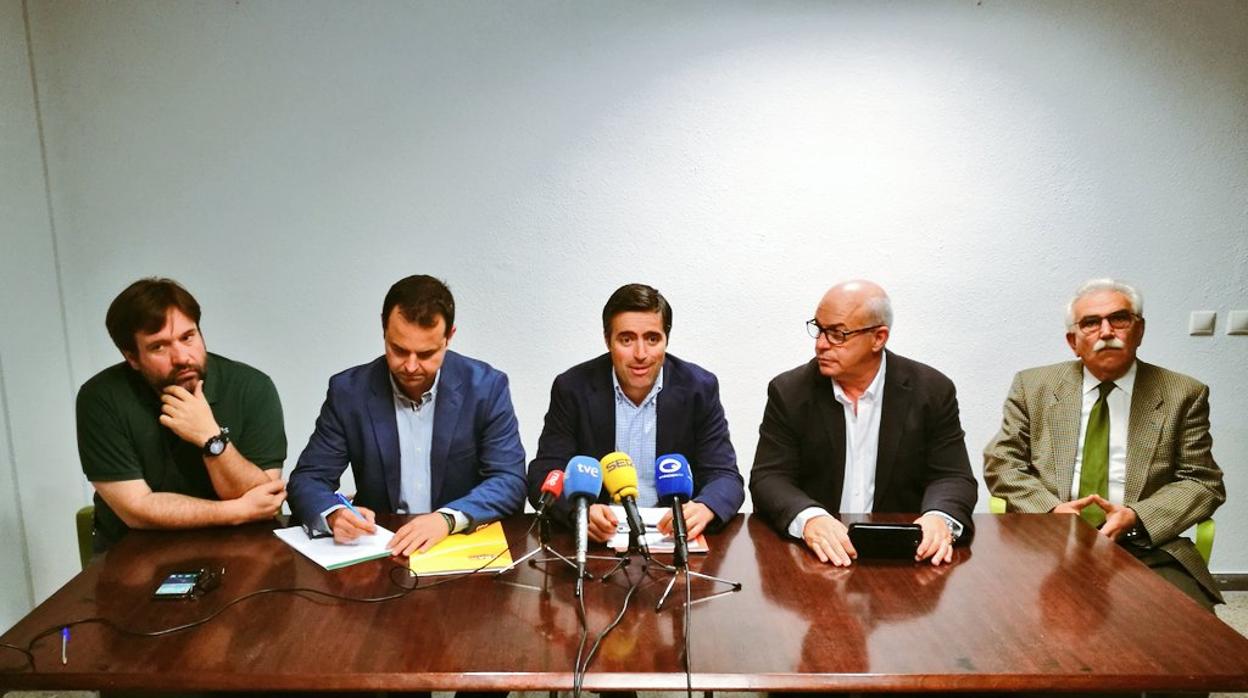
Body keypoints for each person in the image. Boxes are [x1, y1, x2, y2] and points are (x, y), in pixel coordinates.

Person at [984, 278, 1225, 610]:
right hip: (1048, 542)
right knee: (1002, 618)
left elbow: (1202, 482)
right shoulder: (1033, 386)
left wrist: (1136, 516)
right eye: (1091, 323)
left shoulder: (1182, 394)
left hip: (1144, 546)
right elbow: (1003, 462)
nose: (1107, 331)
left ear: (1139, 330)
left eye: (1119, 319)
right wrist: (1052, 511)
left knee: (1191, 634)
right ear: (1073, 341)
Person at [287, 275, 527, 557]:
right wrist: (335, 514)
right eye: (399, 350)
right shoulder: (349, 392)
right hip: (382, 548)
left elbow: (509, 481)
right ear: (384, 331)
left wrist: (447, 519)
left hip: (457, 547)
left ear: (449, 337)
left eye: (426, 354)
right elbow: (307, 479)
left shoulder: (486, 388)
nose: (411, 366)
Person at [749, 280, 977, 567]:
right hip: (815, 558)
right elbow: (769, 477)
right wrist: (810, 519)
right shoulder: (790, 391)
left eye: (837, 334)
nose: (820, 344)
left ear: (878, 338)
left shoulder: (931, 391)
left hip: (904, 558)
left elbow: (953, 476)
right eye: (819, 329)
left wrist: (938, 518)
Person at [76, 278, 287, 553]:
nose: (182, 357)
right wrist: (236, 511)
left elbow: (264, 497)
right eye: (159, 347)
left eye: (188, 337)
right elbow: (136, 509)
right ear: (132, 358)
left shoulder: (252, 387)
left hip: (242, 547)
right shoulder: (101, 398)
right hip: (135, 552)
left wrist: (211, 438)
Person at [527, 283, 744, 542]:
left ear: (666, 339)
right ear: (608, 340)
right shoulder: (573, 388)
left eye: (652, 339)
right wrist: (579, 511)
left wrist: (705, 507)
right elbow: (546, 471)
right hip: (601, 538)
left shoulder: (699, 388)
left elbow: (725, 475)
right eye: (627, 339)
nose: (641, 354)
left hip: (672, 536)